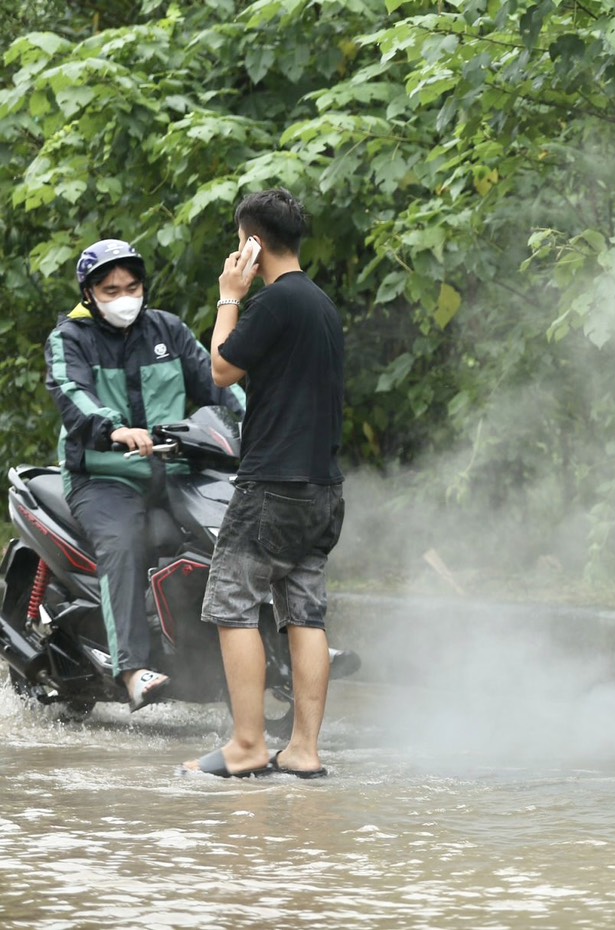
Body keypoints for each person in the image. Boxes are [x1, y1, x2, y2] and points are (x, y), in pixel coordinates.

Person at [183, 189, 345, 779]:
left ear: (251, 243)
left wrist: (230, 297)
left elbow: (221, 368)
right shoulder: (323, 306)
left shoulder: (274, 304)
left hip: (270, 485)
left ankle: (247, 746)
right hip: (323, 489)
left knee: (234, 606)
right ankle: (304, 751)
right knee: (305, 614)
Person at [45, 238, 244, 711]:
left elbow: (216, 385)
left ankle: (275, 644)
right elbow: (71, 391)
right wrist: (113, 429)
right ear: (89, 294)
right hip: (102, 475)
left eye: (132, 286)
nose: (124, 297)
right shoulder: (70, 339)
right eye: (111, 290)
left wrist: (253, 427)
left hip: (174, 469)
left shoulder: (168, 331)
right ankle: (132, 669)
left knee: (236, 528)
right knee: (124, 545)